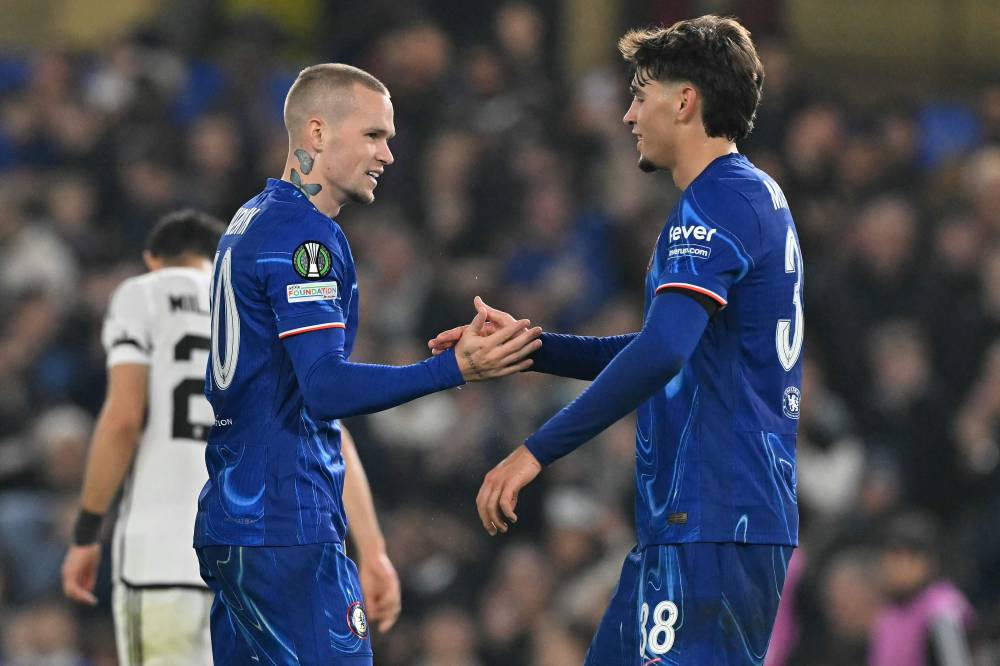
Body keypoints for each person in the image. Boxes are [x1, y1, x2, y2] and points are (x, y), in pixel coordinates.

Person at [432, 15, 803, 664]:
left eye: (640, 94)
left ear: (685, 102)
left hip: (715, 520)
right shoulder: (741, 198)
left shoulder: (717, 204)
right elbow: (670, 349)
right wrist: (532, 350)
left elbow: (661, 355)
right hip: (690, 525)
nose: (629, 115)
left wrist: (535, 452)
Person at [194, 63, 541, 665]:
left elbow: (300, 400)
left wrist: (371, 544)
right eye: (374, 136)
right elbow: (326, 388)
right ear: (318, 133)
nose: (387, 154)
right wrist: (453, 369)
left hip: (239, 518)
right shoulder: (304, 239)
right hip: (286, 524)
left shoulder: (251, 221)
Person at [60, 209, 402, 665]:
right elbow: (331, 434)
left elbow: (122, 419)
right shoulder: (254, 299)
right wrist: (374, 551)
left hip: (160, 556)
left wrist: (86, 533)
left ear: (153, 261)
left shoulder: (141, 294)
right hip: (253, 550)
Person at [870, 514, 975, 666]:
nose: (902, 567)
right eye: (894, 556)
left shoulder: (943, 610)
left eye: (912, 557)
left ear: (929, 561)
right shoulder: (887, 615)